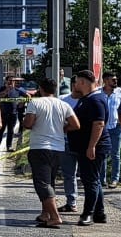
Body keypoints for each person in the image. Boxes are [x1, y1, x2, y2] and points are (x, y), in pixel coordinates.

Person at [22, 79, 79, 228]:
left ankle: (54, 216)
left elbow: (28, 123)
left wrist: (25, 120)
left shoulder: (35, 103)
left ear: (40, 88)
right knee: (50, 181)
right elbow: (75, 124)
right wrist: (62, 130)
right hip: (58, 148)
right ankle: (45, 213)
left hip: (40, 147)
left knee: (42, 183)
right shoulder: (63, 104)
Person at [68, 69, 109, 226]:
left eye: (77, 82)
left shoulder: (95, 100)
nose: (75, 85)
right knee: (93, 180)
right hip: (84, 146)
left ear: (83, 82)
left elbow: (99, 124)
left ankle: (88, 214)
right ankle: (99, 213)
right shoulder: (86, 98)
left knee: (90, 181)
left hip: (93, 147)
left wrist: (91, 146)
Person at [57, 80, 82, 212]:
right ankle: (71, 202)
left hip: (83, 142)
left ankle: (92, 205)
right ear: (74, 85)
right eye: (80, 83)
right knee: (69, 174)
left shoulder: (87, 100)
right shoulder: (62, 100)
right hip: (66, 141)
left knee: (88, 176)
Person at [100, 71, 121, 188]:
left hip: (116, 126)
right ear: (105, 81)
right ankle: (102, 179)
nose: (115, 81)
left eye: (116, 79)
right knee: (102, 154)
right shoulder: (98, 93)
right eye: (112, 79)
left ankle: (115, 179)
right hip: (102, 128)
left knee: (115, 154)